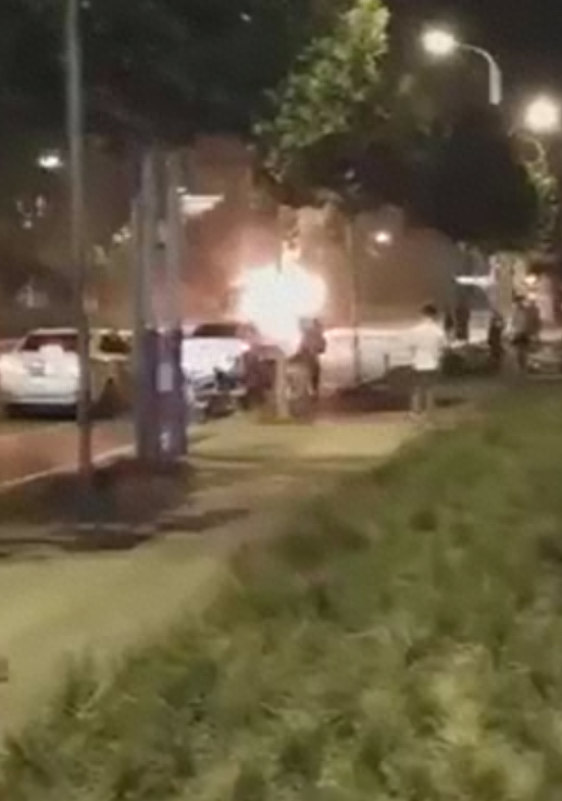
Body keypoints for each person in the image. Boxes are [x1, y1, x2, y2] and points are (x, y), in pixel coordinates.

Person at [410, 303, 447, 417]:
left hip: (418, 361)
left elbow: (412, 346)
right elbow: (443, 347)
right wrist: (440, 358)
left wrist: (413, 358)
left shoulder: (416, 330)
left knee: (417, 388)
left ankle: (416, 411)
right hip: (433, 362)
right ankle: (429, 411)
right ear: (435, 315)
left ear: (423, 314)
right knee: (430, 388)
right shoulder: (438, 331)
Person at [295, 318, 326, 401]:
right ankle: (311, 391)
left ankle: (312, 391)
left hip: (310, 357)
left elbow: (322, 348)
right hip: (309, 357)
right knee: (312, 373)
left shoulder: (313, 335)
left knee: (313, 373)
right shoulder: (312, 335)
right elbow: (322, 348)